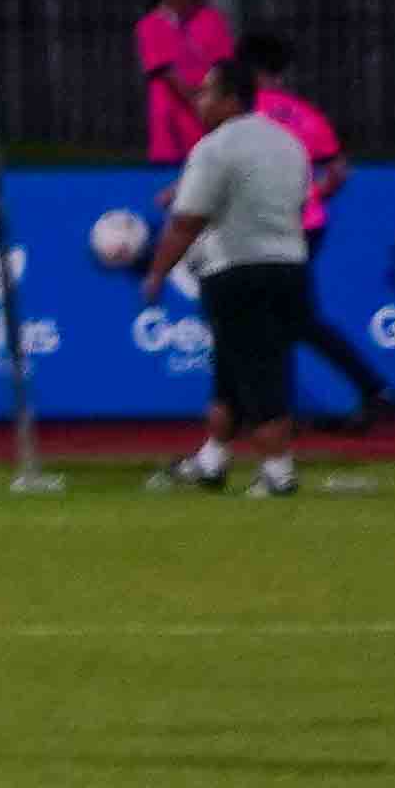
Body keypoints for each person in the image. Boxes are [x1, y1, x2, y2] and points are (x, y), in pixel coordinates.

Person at [145, 56, 316, 499]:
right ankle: (212, 460)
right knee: (232, 367)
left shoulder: (215, 148)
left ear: (231, 99)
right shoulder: (289, 143)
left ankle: (278, 472)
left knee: (258, 371)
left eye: (206, 92)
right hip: (290, 266)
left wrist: (157, 273)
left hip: (237, 269)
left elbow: (187, 221)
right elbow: (300, 204)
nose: (198, 100)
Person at [235, 32, 395, 427]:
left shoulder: (244, 113)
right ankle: (370, 392)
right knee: (289, 318)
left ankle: (270, 411)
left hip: (267, 229)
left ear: (249, 69)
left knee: (273, 317)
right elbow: (338, 169)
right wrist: (314, 195)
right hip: (307, 226)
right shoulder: (304, 114)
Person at [135, 0, 236, 165]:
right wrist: (204, 106)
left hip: (210, 130)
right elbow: (169, 75)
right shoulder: (150, 25)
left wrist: (218, 109)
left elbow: (224, 66)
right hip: (170, 135)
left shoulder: (213, 20)